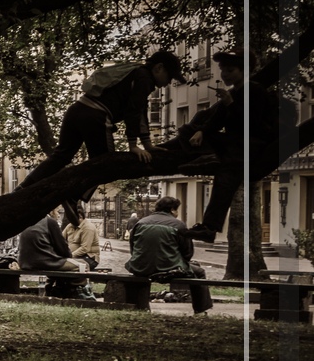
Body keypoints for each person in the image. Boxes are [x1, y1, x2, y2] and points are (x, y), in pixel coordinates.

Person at [157, 47, 294, 242]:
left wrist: (230, 103)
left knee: (225, 179)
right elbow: (216, 120)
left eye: (230, 70)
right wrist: (202, 131)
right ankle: (202, 158)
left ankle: (209, 226)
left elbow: (254, 125)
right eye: (223, 70)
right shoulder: (232, 93)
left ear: (244, 70)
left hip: (251, 145)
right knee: (189, 130)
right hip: (232, 144)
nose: (225, 74)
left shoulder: (255, 91)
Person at [20, 50, 182, 187]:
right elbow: (133, 112)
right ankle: (71, 192)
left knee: (61, 156)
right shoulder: (145, 79)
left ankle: (24, 187)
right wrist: (133, 145)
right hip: (95, 117)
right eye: (170, 77)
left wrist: (147, 145)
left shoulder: (135, 71)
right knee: (106, 165)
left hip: (77, 110)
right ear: (159, 68)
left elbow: (140, 113)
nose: (168, 83)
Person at [125, 196, 212, 314]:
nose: (177, 213)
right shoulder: (179, 225)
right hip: (169, 268)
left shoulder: (140, 223)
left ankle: (140, 307)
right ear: (172, 210)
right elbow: (187, 253)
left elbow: (133, 248)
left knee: (141, 274)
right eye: (177, 210)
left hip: (140, 267)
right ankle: (200, 310)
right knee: (199, 272)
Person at [18, 207, 94, 300]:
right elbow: (63, 248)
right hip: (43, 262)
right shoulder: (50, 222)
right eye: (57, 211)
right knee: (83, 265)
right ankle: (81, 296)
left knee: (62, 267)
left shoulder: (29, 220)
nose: (58, 215)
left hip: (25, 263)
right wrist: (68, 256)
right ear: (51, 211)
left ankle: (51, 289)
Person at [62, 200, 101, 270]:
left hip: (89, 258)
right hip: (74, 256)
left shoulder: (88, 228)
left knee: (66, 265)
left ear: (80, 217)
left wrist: (70, 256)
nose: (71, 221)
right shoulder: (70, 226)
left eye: (73, 218)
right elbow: (61, 239)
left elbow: (85, 248)